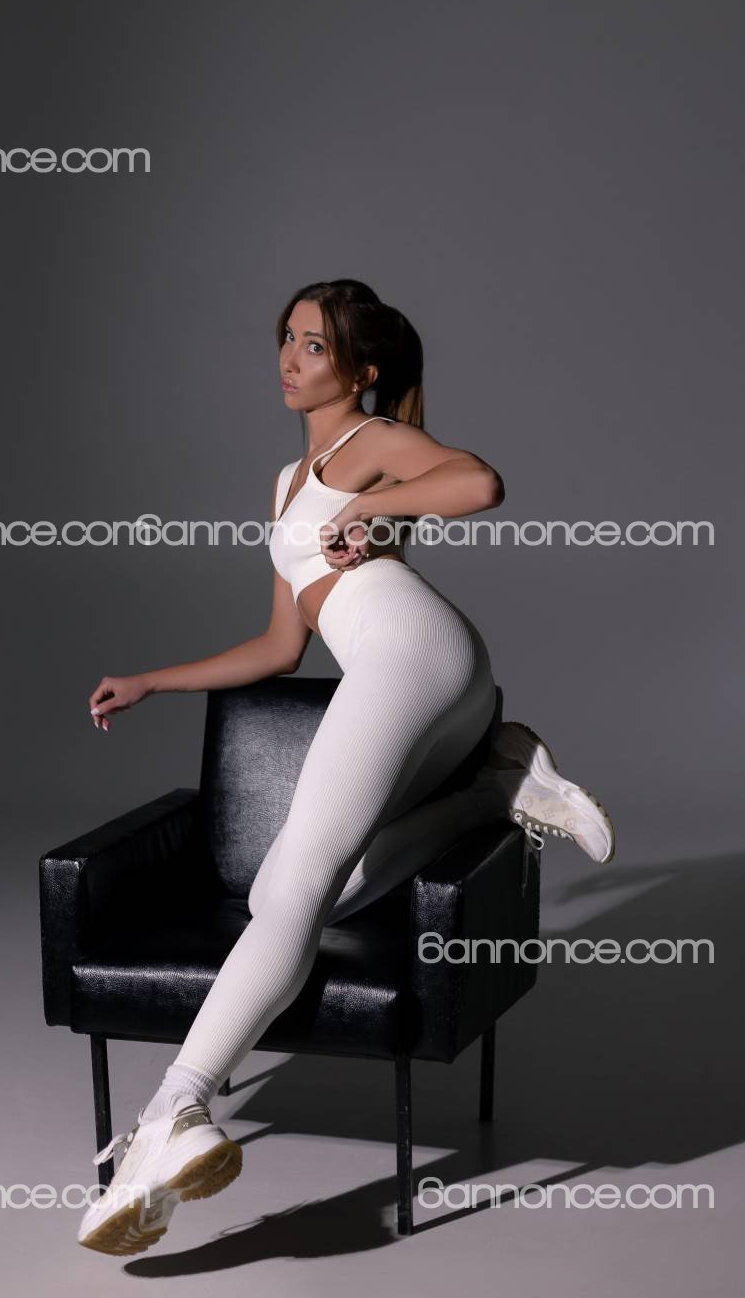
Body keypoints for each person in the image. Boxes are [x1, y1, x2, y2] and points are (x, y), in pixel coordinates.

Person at [77, 280, 615, 1256]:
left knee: (295, 889)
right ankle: (495, 787)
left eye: (315, 345)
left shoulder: (369, 442)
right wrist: (153, 680)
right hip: (411, 668)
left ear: (361, 370)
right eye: (286, 338)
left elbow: (478, 484)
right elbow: (280, 646)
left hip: (412, 650)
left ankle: (174, 1112)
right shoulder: (288, 482)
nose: (290, 358)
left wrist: (375, 508)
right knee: (286, 892)